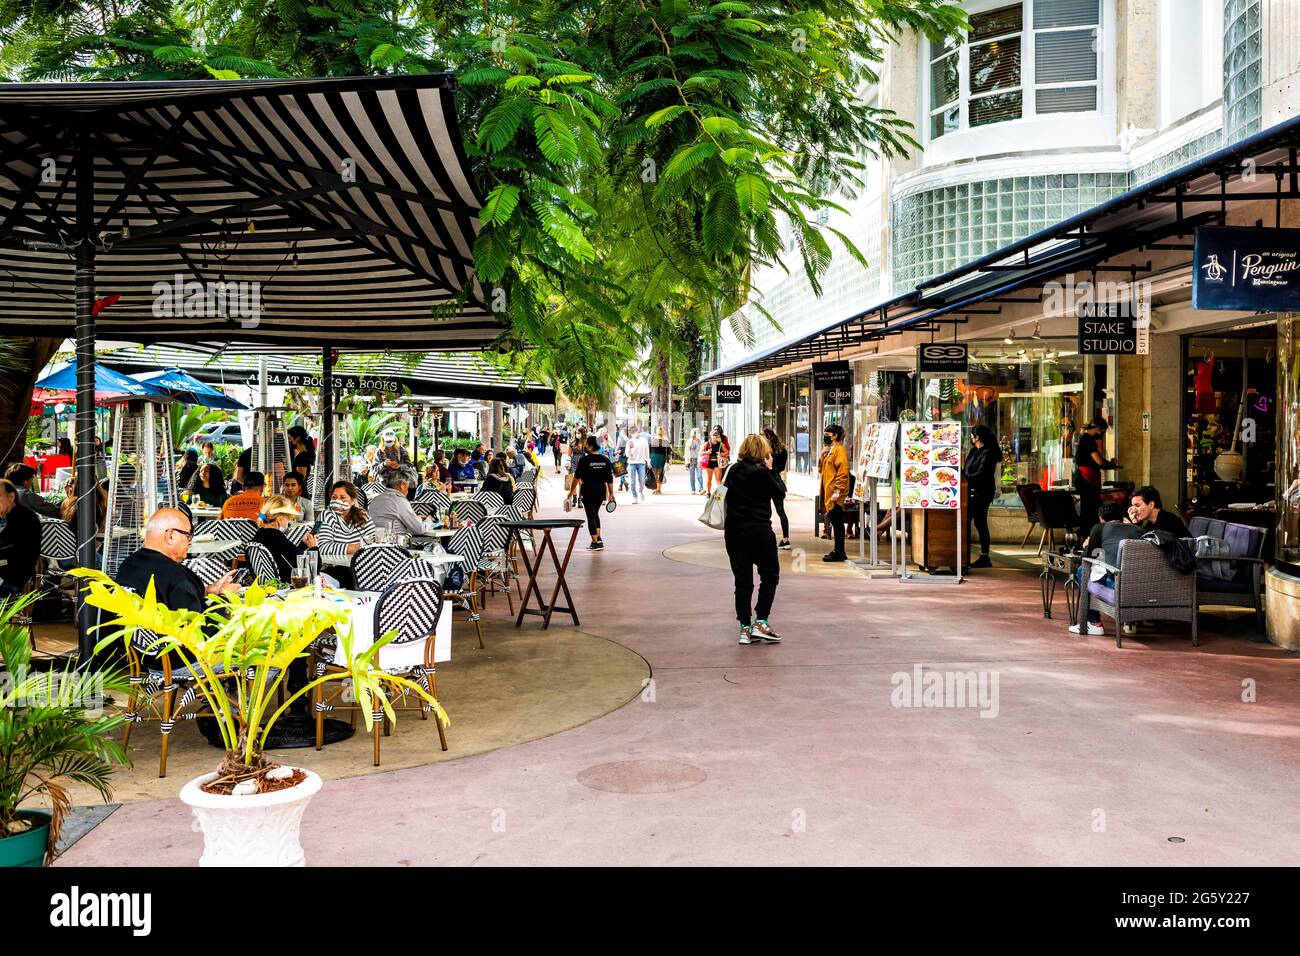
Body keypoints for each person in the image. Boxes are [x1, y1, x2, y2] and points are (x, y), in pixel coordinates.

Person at [722, 434, 784, 645]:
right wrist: (771, 469)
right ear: (763, 452)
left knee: (743, 580)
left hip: (734, 531)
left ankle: (744, 628)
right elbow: (780, 493)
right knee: (770, 575)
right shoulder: (762, 473)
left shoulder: (732, 470)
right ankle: (761, 621)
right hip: (759, 530)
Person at [1069, 502, 1141, 636]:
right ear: (1121, 517)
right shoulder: (1137, 530)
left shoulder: (1100, 528)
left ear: (1101, 518)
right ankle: (1130, 622)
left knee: (1082, 570)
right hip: (1140, 585)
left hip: (1117, 583)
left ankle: (1093, 622)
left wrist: (1086, 546)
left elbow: (1086, 558)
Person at [317, 480, 377, 589]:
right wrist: (354, 547)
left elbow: (373, 541)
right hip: (336, 569)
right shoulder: (327, 515)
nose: (337, 501)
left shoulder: (362, 515)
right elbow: (323, 547)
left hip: (363, 567)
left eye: (343, 498)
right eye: (334, 498)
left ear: (353, 500)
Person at [252, 496, 318, 581]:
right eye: (288, 517)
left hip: (268, 587)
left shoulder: (259, 535)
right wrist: (314, 547)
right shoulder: (277, 538)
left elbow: (288, 557)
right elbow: (310, 570)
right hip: (287, 587)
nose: (289, 521)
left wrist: (304, 544)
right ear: (280, 518)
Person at [570, 435, 615, 550]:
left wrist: (571, 492)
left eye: (586, 445)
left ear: (590, 447)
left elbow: (576, 477)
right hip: (601, 491)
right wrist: (611, 494)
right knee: (595, 514)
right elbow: (609, 479)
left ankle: (596, 542)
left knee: (591, 515)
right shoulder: (605, 460)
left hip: (588, 490)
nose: (585, 446)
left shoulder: (584, 460)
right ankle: (598, 538)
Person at [964, 424, 999, 569]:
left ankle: (983, 556)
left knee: (977, 522)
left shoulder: (988, 453)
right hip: (971, 491)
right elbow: (966, 468)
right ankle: (970, 555)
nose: (971, 437)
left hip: (982, 493)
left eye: (972, 435)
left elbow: (982, 474)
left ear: (977, 437)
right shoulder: (973, 451)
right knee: (977, 522)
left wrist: (967, 478)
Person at [1073, 418, 1116, 534]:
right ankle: (1090, 533)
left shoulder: (1084, 438)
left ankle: (1087, 532)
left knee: (1087, 507)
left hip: (1082, 477)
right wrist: (1110, 464)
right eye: (1101, 431)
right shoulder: (1089, 440)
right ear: (1097, 428)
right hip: (1086, 477)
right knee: (1091, 507)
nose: (1101, 434)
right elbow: (1099, 461)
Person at [0, 478, 41, 598]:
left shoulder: (25, 518)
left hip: (13, 577)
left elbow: (17, 553)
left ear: (11, 496)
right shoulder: (5, 516)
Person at [366, 466, 430, 536]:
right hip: (394, 544)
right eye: (407, 487)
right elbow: (420, 529)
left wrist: (417, 519)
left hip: (375, 543)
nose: (408, 491)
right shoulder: (399, 501)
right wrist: (428, 520)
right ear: (402, 486)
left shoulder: (376, 499)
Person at [819, 423, 850, 562]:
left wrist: (838, 490)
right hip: (829, 492)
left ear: (835, 436)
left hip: (836, 494)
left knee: (837, 523)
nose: (826, 437)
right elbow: (822, 469)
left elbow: (843, 473)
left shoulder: (840, 451)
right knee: (835, 521)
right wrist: (821, 456)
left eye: (828, 435)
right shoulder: (829, 450)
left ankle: (839, 552)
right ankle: (838, 550)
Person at [763, 427, 791, 550]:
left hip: (764, 479)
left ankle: (765, 537)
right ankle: (786, 539)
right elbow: (781, 467)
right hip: (776, 479)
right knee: (781, 511)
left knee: (763, 509)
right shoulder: (782, 449)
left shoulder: (765, 451)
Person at [624, 427, 649, 503]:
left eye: (636, 432)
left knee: (641, 480)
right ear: (631, 434)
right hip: (632, 463)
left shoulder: (644, 441)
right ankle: (635, 497)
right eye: (633, 433)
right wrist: (630, 451)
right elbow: (627, 454)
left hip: (641, 463)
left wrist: (648, 462)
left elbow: (647, 452)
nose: (635, 434)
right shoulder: (630, 441)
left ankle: (640, 491)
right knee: (632, 481)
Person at [705, 425, 729, 494]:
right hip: (709, 462)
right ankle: (708, 492)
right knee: (709, 479)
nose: (714, 436)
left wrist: (721, 454)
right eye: (713, 434)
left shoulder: (721, 444)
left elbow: (727, 451)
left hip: (717, 463)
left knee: (718, 479)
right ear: (710, 435)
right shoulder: (707, 444)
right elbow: (700, 452)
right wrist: (706, 452)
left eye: (715, 434)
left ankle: (719, 493)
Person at [648, 424, 671, 495]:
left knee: (654, 474)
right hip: (662, 458)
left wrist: (648, 460)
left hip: (653, 458)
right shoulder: (666, 442)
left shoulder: (652, 441)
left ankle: (656, 489)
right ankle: (658, 489)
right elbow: (669, 453)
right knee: (660, 473)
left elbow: (648, 451)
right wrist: (667, 461)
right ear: (663, 433)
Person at [686, 427, 703, 496]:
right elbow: (686, 452)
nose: (696, 434)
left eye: (697, 433)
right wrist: (686, 462)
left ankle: (701, 489)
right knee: (691, 475)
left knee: (699, 475)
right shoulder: (689, 441)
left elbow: (702, 450)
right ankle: (693, 489)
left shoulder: (700, 441)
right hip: (691, 459)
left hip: (698, 459)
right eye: (695, 432)